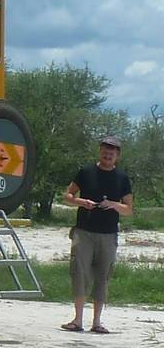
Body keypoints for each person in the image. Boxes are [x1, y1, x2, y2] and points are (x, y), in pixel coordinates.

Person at [62, 135, 137, 334]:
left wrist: (112, 204)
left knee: (103, 276)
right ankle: (77, 320)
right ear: (100, 152)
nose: (108, 154)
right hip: (84, 232)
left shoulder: (122, 178)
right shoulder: (86, 171)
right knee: (79, 273)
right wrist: (82, 202)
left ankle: (97, 322)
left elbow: (129, 209)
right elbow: (68, 195)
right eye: (105, 151)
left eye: (112, 152)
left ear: (117, 156)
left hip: (108, 235)